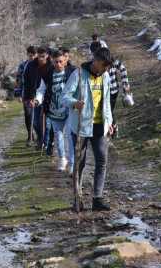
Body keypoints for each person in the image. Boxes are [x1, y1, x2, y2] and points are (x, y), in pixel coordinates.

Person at [63, 47, 115, 211]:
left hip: (100, 126)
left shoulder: (105, 76)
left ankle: (97, 199)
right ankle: (77, 199)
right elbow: (64, 96)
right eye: (104, 65)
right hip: (81, 126)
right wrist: (74, 103)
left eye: (108, 66)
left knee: (102, 161)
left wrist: (110, 123)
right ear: (96, 61)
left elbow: (107, 102)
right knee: (80, 163)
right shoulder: (78, 74)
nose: (106, 69)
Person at [35, 50, 76, 171]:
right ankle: (62, 158)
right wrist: (38, 100)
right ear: (52, 61)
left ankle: (73, 163)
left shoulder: (71, 73)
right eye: (56, 62)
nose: (58, 64)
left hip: (69, 110)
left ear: (65, 61)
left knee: (69, 135)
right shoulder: (48, 74)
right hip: (54, 110)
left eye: (60, 62)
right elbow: (41, 90)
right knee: (58, 136)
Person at [22, 47, 52, 148]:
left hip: (48, 97)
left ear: (47, 56)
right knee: (35, 122)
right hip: (33, 96)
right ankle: (40, 138)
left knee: (46, 122)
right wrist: (29, 97)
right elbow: (26, 82)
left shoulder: (51, 66)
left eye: (43, 57)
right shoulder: (31, 66)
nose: (41, 59)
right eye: (39, 56)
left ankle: (46, 143)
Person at [108, 56, 130, 134]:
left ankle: (113, 127)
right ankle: (112, 127)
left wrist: (125, 84)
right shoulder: (97, 61)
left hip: (113, 90)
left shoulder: (113, 61)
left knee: (109, 110)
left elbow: (123, 69)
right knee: (108, 110)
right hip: (102, 91)